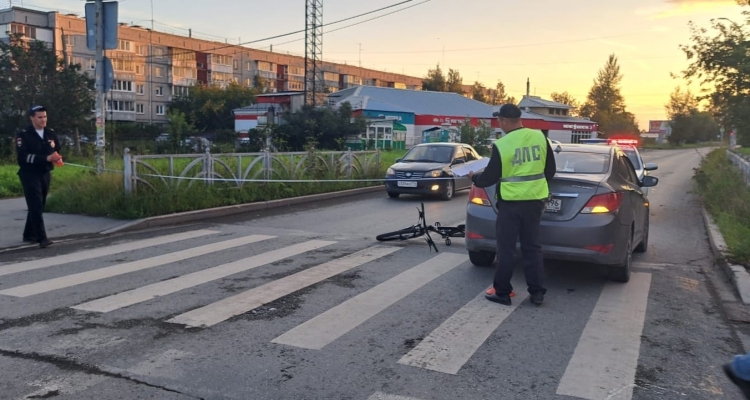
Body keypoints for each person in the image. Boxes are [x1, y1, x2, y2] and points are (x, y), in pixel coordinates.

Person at [468, 104, 556, 306]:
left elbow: (490, 176)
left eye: (500, 121)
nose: (500, 125)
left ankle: (502, 292)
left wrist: (475, 179)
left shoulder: (503, 144)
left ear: (505, 121)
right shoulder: (540, 138)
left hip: (511, 204)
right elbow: (550, 170)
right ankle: (537, 293)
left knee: (506, 248)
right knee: (532, 247)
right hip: (534, 202)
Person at [16, 105, 62, 249]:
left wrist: (56, 158)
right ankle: (42, 238)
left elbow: (56, 149)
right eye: (40, 117)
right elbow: (23, 157)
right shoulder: (23, 134)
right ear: (32, 118)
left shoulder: (50, 133)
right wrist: (45, 158)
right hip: (29, 173)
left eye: (45, 117)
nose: (43, 120)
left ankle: (28, 234)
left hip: (45, 172)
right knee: (35, 204)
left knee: (39, 204)